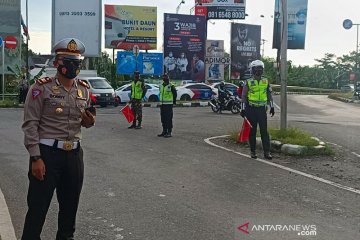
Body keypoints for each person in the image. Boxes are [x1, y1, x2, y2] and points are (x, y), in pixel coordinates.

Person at [21, 38, 96, 240]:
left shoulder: (84, 89)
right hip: (47, 156)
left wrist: (89, 121)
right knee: (37, 211)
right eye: (68, 62)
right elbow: (30, 124)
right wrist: (36, 158)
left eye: (77, 63)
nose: (74, 67)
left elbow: (85, 122)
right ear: (57, 64)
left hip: (73, 156)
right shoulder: (41, 88)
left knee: (69, 215)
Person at [241, 60, 274, 160]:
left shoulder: (266, 81)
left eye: (260, 69)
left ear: (262, 70)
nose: (258, 71)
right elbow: (244, 96)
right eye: (256, 69)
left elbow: (269, 95)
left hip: (261, 110)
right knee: (252, 131)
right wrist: (242, 109)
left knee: (264, 131)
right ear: (252, 70)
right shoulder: (248, 82)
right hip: (251, 109)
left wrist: (272, 106)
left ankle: (267, 152)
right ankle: (253, 151)